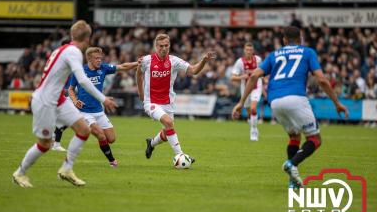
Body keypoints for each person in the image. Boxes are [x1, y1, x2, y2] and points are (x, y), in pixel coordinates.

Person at [232, 26, 348, 189]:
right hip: (296, 98)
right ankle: (291, 163)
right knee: (315, 139)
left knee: (294, 137)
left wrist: (240, 102)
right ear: (300, 39)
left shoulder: (274, 55)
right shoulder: (307, 52)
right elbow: (321, 80)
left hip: (275, 102)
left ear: (284, 40)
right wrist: (337, 103)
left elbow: (254, 76)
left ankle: (292, 181)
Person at [12, 20, 117, 188]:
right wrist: (103, 98)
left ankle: (67, 169)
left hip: (58, 98)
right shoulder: (74, 52)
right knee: (45, 144)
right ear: (88, 38)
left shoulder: (63, 49)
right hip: (46, 100)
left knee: (83, 129)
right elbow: (82, 79)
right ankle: (20, 173)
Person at [136, 33, 215, 163]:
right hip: (151, 102)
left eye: (166, 45)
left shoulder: (174, 61)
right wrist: (141, 93)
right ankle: (181, 155)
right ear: (156, 46)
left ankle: (151, 143)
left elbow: (193, 70)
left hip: (168, 103)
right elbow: (139, 73)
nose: (164, 48)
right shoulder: (146, 60)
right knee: (168, 123)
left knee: (167, 133)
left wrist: (204, 61)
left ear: (170, 46)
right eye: (161, 46)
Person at [68, 47, 140, 167]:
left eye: (100, 58)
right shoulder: (80, 71)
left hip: (99, 111)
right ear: (89, 59)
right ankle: (112, 161)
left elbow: (123, 66)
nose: (99, 61)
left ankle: (101, 142)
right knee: (101, 135)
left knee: (111, 139)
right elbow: (70, 89)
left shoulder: (103, 68)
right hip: (84, 112)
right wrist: (75, 101)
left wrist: (138, 63)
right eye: (96, 58)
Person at [230, 42, 263, 141]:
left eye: (250, 50)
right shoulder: (240, 62)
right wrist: (242, 77)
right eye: (247, 50)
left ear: (253, 51)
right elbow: (232, 78)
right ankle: (253, 125)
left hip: (257, 86)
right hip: (245, 88)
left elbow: (262, 72)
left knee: (253, 108)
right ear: (244, 50)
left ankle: (253, 131)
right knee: (248, 110)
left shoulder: (258, 60)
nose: (249, 52)